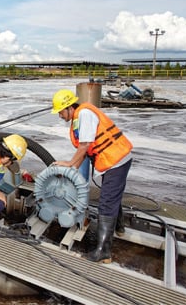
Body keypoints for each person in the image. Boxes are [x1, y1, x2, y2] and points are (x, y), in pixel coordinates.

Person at [50, 89, 133, 263]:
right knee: (111, 194)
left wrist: (70, 164)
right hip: (116, 158)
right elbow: (86, 150)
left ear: (68, 107)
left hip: (116, 160)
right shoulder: (80, 116)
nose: (60, 116)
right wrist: (73, 171)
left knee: (106, 202)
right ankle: (119, 227)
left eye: (60, 112)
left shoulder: (85, 114)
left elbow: (85, 145)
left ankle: (104, 252)